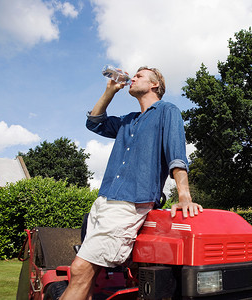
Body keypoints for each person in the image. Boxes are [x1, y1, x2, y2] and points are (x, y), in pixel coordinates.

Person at [61, 66, 203, 300]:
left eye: (139, 76)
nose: (132, 78)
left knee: (80, 270)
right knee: (88, 279)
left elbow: (177, 156)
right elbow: (94, 123)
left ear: (154, 85)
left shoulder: (168, 111)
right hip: (104, 200)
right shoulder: (129, 120)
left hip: (128, 204)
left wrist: (184, 195)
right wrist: (111, 90)